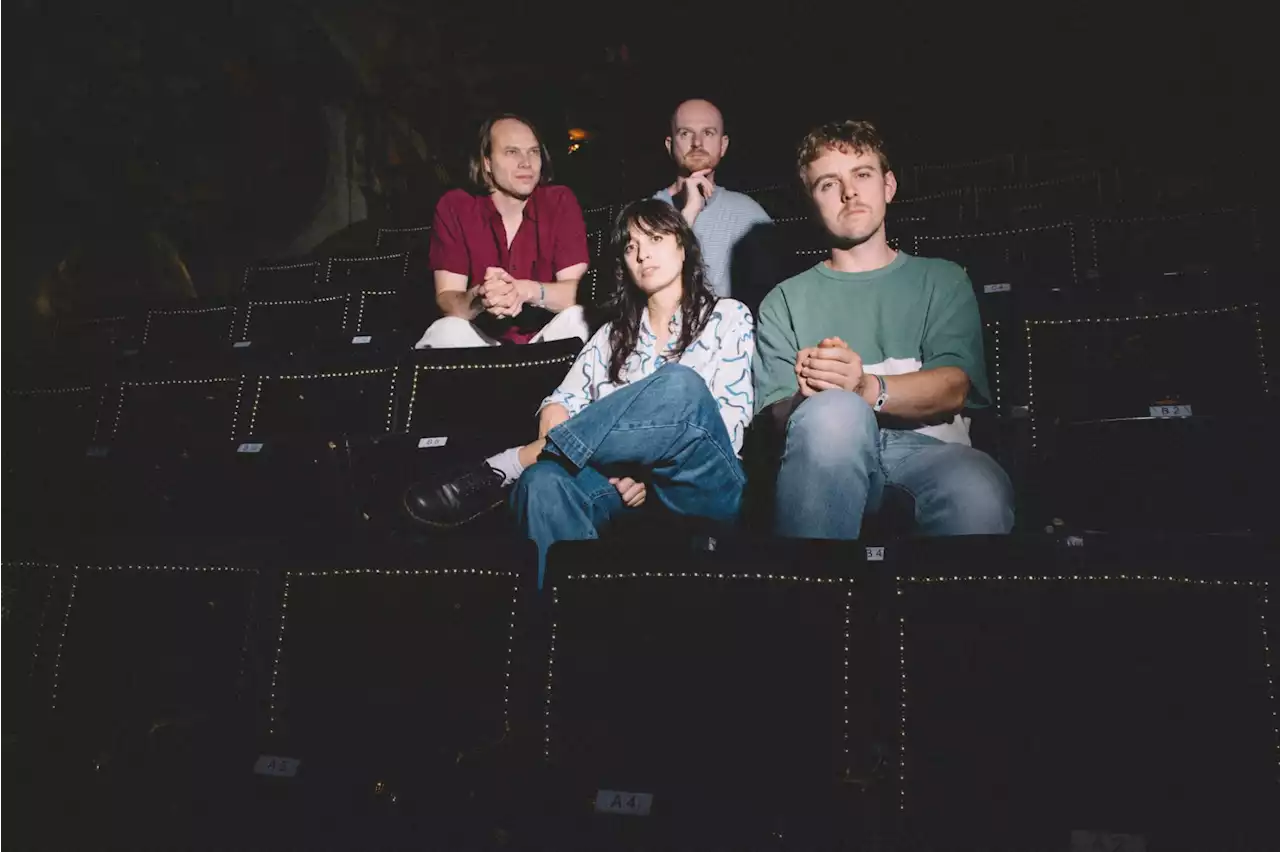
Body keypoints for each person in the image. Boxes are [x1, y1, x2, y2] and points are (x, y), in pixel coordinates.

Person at [409, 200, 754, 585]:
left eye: (655, 238)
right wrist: (616, 468)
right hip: (617, 490)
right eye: (630, 246)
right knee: (541, 483)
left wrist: (643, 470)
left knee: (679, 385)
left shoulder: (728, 316)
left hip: (703, 486)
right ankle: (560, 627)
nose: (642, 253)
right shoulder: (611, 335)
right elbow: (558, 405)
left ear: (682, 245)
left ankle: (507, 464)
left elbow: (728, 426)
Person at [752, 120, 1014, 539]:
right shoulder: (784, 300)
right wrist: (809, 398)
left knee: (976, 491)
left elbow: (954, 387)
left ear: (888, 186)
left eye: (862, 175)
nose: (849, 192)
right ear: (811, 201)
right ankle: (812, 598)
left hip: (934, 453)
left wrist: (863, 388)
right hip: (830, 456)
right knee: (833, 413)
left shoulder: (941, 280)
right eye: (827, 184)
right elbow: (776, 419)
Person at [414, 113, 590, 348]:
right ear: (486, 162)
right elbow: (447, 299)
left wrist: (525, 290)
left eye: (533, 152)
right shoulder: (455, 206)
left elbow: (575, 293)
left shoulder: (559, 201)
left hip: (544, 339)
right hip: (480, 342)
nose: (526, 162)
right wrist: (481, 297)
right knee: (444, 330)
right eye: (512, 152)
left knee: (578, 318)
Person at [652, 99, 776, 308]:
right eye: (685, 133)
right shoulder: (645, 215)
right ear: (669, 144)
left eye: (708, 133)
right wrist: (688, 212)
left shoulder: (748, 214)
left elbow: (774, 296)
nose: (697, 143)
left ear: (723, 145)